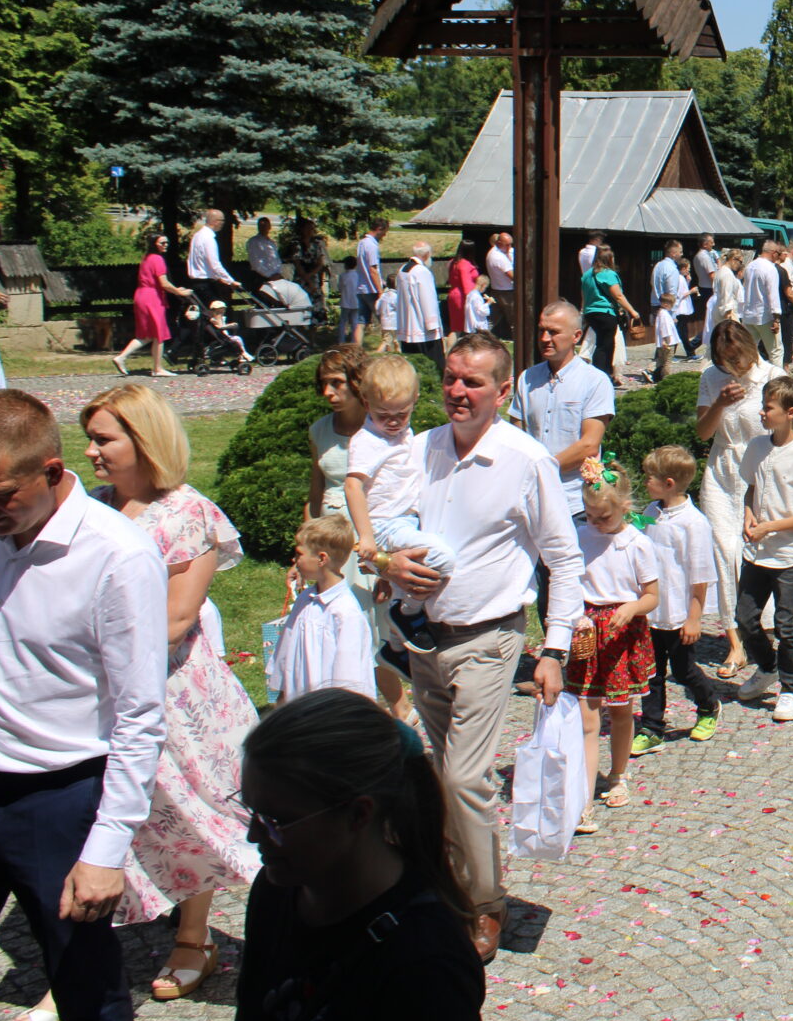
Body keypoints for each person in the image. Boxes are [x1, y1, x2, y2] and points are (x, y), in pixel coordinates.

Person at [376, 332, 583, 961]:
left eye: (473, 381)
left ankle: (485, 905)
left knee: (466, 777)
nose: (458, 391)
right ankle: (452, 885)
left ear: (502, 390)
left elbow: (564, 559)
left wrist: (555, 650)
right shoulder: (420, 449)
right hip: (423, 640)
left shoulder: (525, 460)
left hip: (490, 638)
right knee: (443, 777)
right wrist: (388, 562)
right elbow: (383, 530)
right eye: (450, 378)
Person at [0, 390, 166, 1021]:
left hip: (56, 798)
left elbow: (140, 713)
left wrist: (106, 849)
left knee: (88, 997)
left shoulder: (117, 555)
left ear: (52, 471)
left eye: (1, 496)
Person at [77, 384, 257, 1002]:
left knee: (187, 811)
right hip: (99, 690)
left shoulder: (186, 512)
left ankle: (193, 936)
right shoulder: (92, 508)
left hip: (173, 692)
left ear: (143, 440)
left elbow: (178, 618)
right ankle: (77, 962)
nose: (90, 451)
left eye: (103, 439)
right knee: (104, 815)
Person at [231, 689, 484, 1021]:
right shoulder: (277, 889)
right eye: (252, 812)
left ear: (358, 814)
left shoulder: (425, 964)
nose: (253, 835)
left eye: (276, 820)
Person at [303, 345, 409, 717]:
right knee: (333, 625)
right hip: (328, 538)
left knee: (369, 626)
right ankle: (349, 706)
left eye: (337, 383)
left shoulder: (380, 427)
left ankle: (399, 707)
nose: (328, 393)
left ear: (356, 383)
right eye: (324, 384)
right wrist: (303, 547)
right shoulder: (320, 430)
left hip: (366, 533)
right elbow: (315, 491)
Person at [565, 457, 660, 833]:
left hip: (621, 634)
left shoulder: (636, 544)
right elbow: (568, 580)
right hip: (588, 630)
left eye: (603, 517)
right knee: (587, 718)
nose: (596, 523)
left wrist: (632, 608)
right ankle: (583, 799)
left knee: (621, 711)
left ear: (624, 507)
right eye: (589, 516)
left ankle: (618, 774)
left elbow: (651, 595)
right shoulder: (581, 535)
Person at [343, 354, 460, 652]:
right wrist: (366, 536)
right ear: (366, 403)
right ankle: (407, 613)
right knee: (443, 558)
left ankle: (395, 650)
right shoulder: (367, 441)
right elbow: (353, 486)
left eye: (402, 413)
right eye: (384, 415)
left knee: (404, 577)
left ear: (414, 400)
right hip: (386, 523)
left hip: (407, 520)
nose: (393, 422)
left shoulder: (404, 434)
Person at [696, 319, 786, 679]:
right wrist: (719, 403)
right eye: (725, 359)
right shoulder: (711, 377)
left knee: (755, 551)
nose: (733, 365)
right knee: (723, 550)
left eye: (737, 357)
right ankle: (734, 641)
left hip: (760, 472)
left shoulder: (772, 376)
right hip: (721, 471)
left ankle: (761, 628)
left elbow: (785, 431)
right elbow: (703, 432)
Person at [734, 375, 793, 723]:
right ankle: (767, 667)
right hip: (756, 553)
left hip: (788, 556)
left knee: (785, 624)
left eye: (768, 408)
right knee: (745, 618)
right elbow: (751, 489)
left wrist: (770, 526)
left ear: (790, 413)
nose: (762, 412)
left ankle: (790, 689)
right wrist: (748, 514)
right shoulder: (757, 446)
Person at [635, 446, 722, 751]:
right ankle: (652, 726)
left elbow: (701, 576)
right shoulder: (651, 512)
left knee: (684, 670)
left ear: (668, 483)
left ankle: (708, 705)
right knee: (651, 672)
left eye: (650, 477)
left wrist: (693, 618)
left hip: (679, 612)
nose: (645, 481)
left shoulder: (693, 523)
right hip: (651, 610)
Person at [508, 302, 615, 533]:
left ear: (576, 336)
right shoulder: (527, 378)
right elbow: (515, 436)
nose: (545, 338)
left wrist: (541, 471)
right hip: (531, 501)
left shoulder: (595, 381)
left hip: (575, 504)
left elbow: (589, 444)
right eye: (542, 330)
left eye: (553, 332)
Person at [271, 515, 377, 702]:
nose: (294, 559)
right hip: (299, 700)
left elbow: (348, 674)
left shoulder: (345, 612)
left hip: (328, 707)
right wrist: (282, 692)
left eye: (299, 554)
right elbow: (287, 646)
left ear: (321, 558)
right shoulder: (305, 599)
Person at [114, 231, 193, 377]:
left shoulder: (147, 258)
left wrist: (176, 290)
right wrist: (179, 292)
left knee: (149, 334)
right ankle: (157, 368)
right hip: (152, 297)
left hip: (142, 295)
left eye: (166, 242)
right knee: (158, 333)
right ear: (154, 244)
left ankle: (122, 357)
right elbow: (164, 283)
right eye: (162, 243)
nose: (165, 245)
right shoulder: (157, 259)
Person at [580, 244, 639, 384]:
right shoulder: (608, 274)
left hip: (590, 312)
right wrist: (632, 311)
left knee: (601, 343)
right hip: (605, 312)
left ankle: (602, 373)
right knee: (605, 345)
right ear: (610, 259)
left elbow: (583, 296)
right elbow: (618, 296)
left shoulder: (587, 275)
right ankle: (602, 375)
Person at [395, 243, 444, 369]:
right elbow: (428, 298)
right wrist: (432, 324)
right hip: (423, 328)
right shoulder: (422, 271)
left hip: (407, 325)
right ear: (427, 255)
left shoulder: (402, 269)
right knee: (432, 364)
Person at [185, 209, 241, 309]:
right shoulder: (208, 239)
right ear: (216, 221)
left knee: (207, 313)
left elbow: (203, 262)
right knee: (218, 310)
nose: (223, 223)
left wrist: (220, 278)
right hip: (205, 283)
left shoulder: (197, 235)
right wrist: (231, 281)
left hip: (196, 282)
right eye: (222, 221)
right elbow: (214, 264)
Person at [742, 241, 785, 366]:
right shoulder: (770, 268)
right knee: (776, 351)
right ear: (773, 253)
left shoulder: (750, 266)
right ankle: (778, 377)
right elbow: (773, 294)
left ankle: (747, 375)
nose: (778, 257)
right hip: (765, 315)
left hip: (749, 314)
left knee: (749, 351)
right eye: (778, 253)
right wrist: (776, 318)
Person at [351, 219, 388, 346]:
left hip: (360, 287)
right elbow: (373, 269)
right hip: (371, 288)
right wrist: (380, 291)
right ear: (379, 229)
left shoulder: (362, 243)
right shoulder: (372, 245)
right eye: (384, 231)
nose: (384, 235)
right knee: (385, 320)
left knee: (361, 322)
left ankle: (357, 347)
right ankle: (388, 347)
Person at [444, 242, 481, 339]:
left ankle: (451, 347)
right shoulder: (465, 264)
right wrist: (473, 300)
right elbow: (466, 284)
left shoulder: (453, 262)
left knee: (456, 327)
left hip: (454, 295)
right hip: (462, 298)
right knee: (464, 327)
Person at [485, 231, 516, 336]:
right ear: (499, 243)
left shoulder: (492, 253)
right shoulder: (499, 258)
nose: (509, 247)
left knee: (490, 321)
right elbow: (513, 276)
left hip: (496, 290)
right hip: (507, 293)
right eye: (507, 245)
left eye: (510, 244)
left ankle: (479, 337)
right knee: (515, 322)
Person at [247, 215, 282, 281]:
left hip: (276, 275)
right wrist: (269, 275)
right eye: (261, 226)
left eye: (265, 226)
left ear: (269, 227)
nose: (263, 228)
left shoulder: (271, 243)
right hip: (262, 276)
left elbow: (276, 259)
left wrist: (278, 273)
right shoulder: (254, 241)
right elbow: (255, 262)